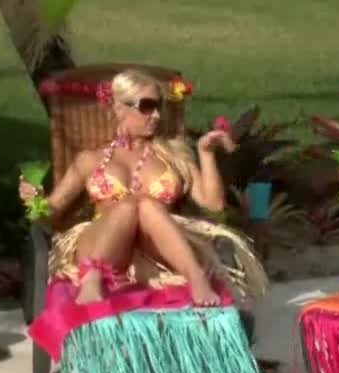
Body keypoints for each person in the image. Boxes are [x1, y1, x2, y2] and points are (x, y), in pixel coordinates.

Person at [19, 69, 267, 305]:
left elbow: (213, 205)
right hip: (104, 243)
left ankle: (196, 277)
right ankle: (93, 278)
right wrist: (36, 200)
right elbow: (51, 213)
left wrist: (206, 154)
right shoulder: (90, 160)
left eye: (158, 106)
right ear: (119, 108)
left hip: (157, 247)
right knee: (127, 205)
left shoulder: (174, 156)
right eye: (146, 106)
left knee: (147, 205)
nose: (156, 115)